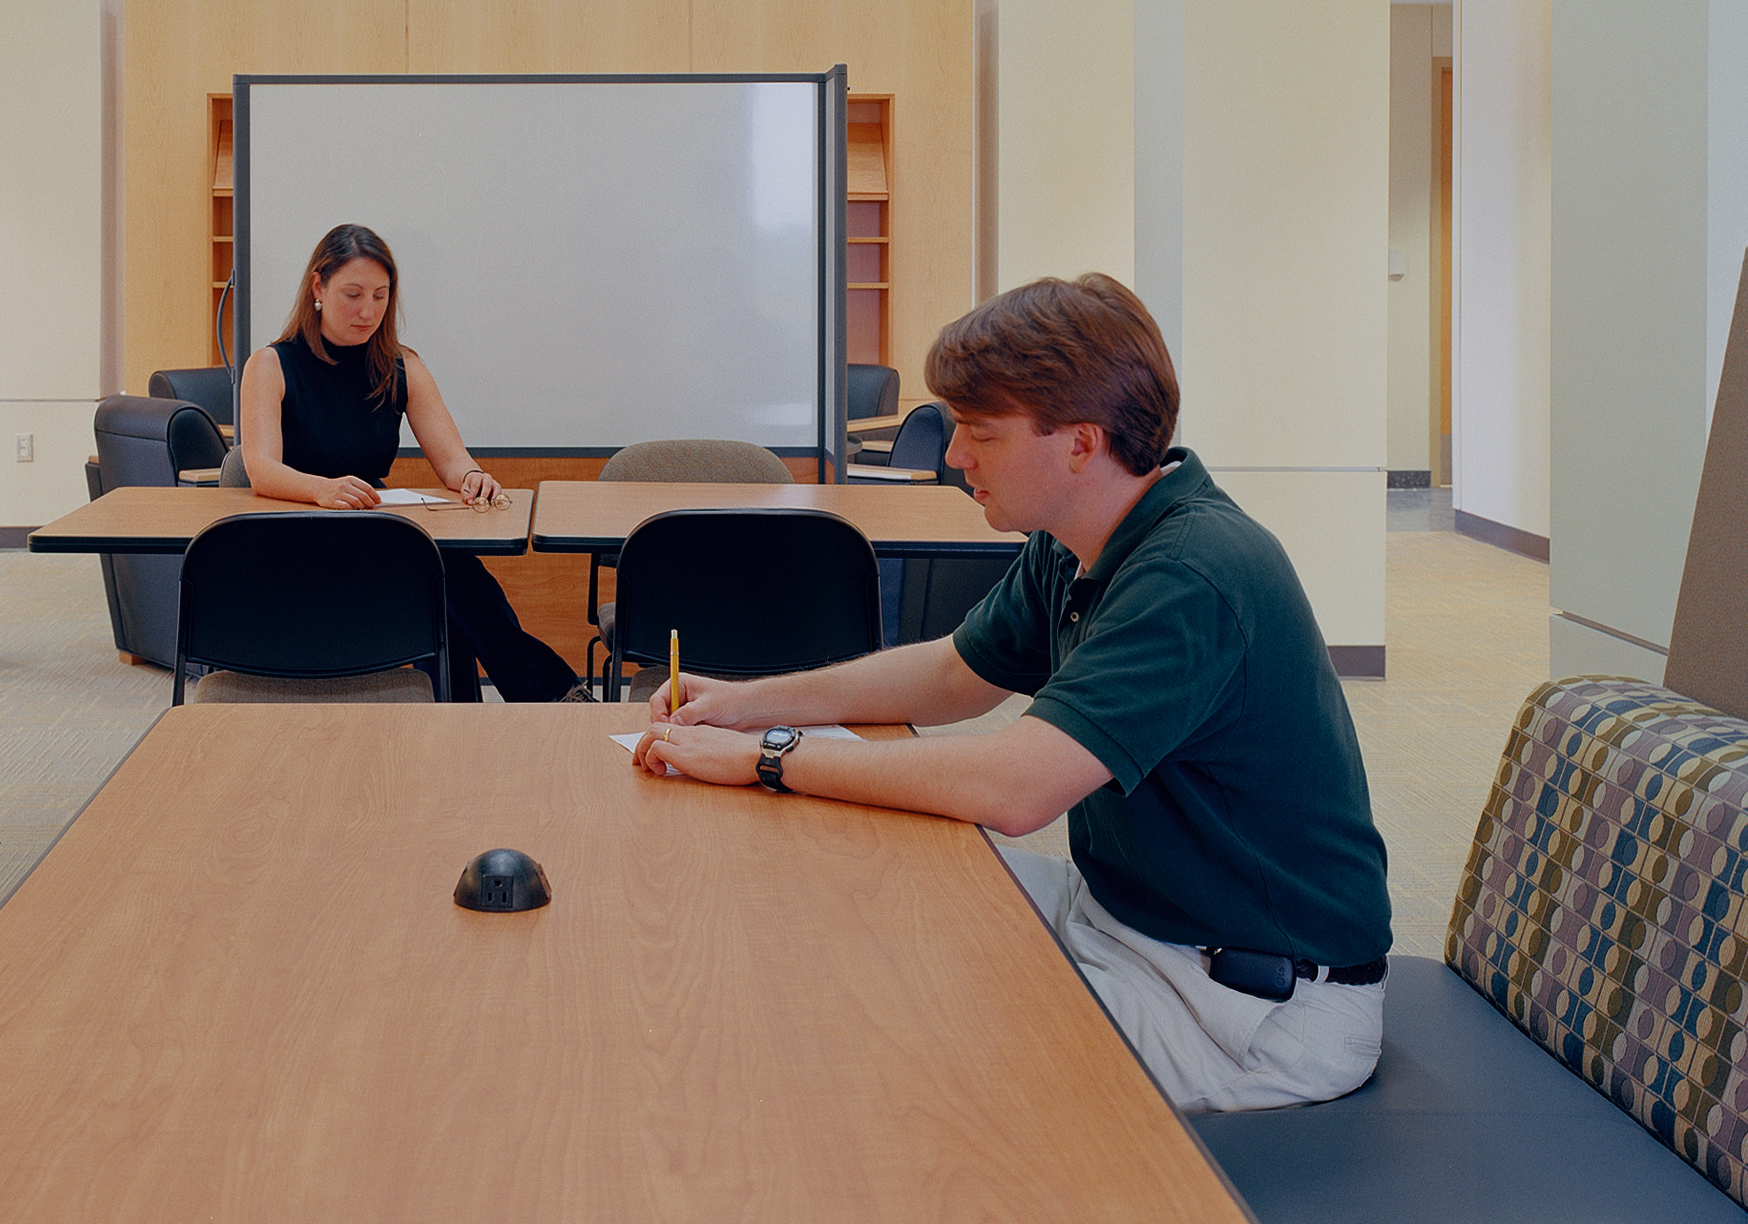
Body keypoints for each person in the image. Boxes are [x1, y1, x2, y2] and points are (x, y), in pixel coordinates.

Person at [633, 272, 1392, 1114]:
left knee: (895, 1050)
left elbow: (1012, 789)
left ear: (1079, 441)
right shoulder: (1078, 536)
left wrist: (767, 758)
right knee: (856, 914)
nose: (955, 456)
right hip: (1130, 925)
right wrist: (750, 702)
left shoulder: (1191, 573)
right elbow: (956, 673)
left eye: (979, 432)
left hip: (1244, 1005)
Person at [237, 222, 578, 703]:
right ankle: (545, 692)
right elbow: (261, 468)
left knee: (450, 575)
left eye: (380, 296)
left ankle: (467, 717)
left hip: (373, 534)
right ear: (318, 286)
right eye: (352, 294)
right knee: (448, 577)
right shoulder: (271, 365)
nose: (367, 311)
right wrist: (321, 489)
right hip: (299, 534)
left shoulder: (400, 364)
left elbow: (452, 459)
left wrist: (473, 477)